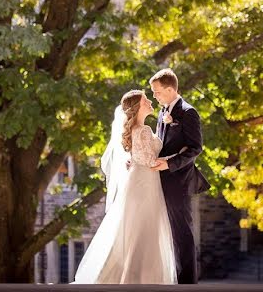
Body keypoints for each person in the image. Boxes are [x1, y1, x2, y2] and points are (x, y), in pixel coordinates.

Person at [72, 89, 178, 284]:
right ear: (137, 107)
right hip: (144, 186)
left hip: (139, 182)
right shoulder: (143, 130)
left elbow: (138, 156)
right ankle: (137, 280)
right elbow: (149, 160)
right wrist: (176, 159)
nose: (150, 102)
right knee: (143, 230)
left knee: (134, 231)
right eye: (146, 100)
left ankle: (129, 277)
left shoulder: (139, 129)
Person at [148, 68, 210, 284]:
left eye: (157, 92)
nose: (154, 96)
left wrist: (169, 165)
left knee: (182, 232)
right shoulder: (162, 111)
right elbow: (159, 145)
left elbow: (195, 148)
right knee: (165, 232)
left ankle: (188, 284)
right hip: (158, 180)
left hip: (179, 182)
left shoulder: (188, 112)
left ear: (170, 89)